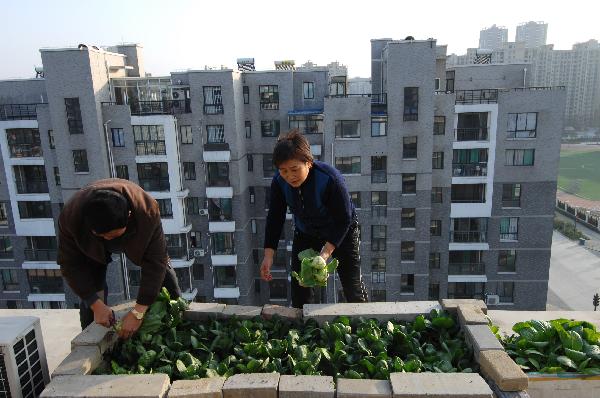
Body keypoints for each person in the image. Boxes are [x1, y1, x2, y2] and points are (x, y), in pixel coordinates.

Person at [57, 178, 181, 339]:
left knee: (165, 278)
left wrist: (138, 311)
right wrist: (96, 304)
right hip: (91, 247)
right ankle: (90, 340)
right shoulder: (71, 216)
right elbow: (70, 264)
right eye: (104, 235)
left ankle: (175, 329)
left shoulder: (146, 209)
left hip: (137, 234)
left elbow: (156, 261)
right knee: (91, 296)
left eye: (113, 235)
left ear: (129, 215)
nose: (109, 239)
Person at [260, 130, 368, 308]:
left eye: (294, 169)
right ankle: (304, 330)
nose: (289, 176)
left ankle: (366, 323)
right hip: (306, 233)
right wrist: (268, 255)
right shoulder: (279, 182)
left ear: (308, 163)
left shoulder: (330, 179)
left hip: (341, 232)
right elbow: (275, 217)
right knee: (300, 287)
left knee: (352, 286)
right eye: (283, 171)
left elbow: (344, 219)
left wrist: (325, 254)